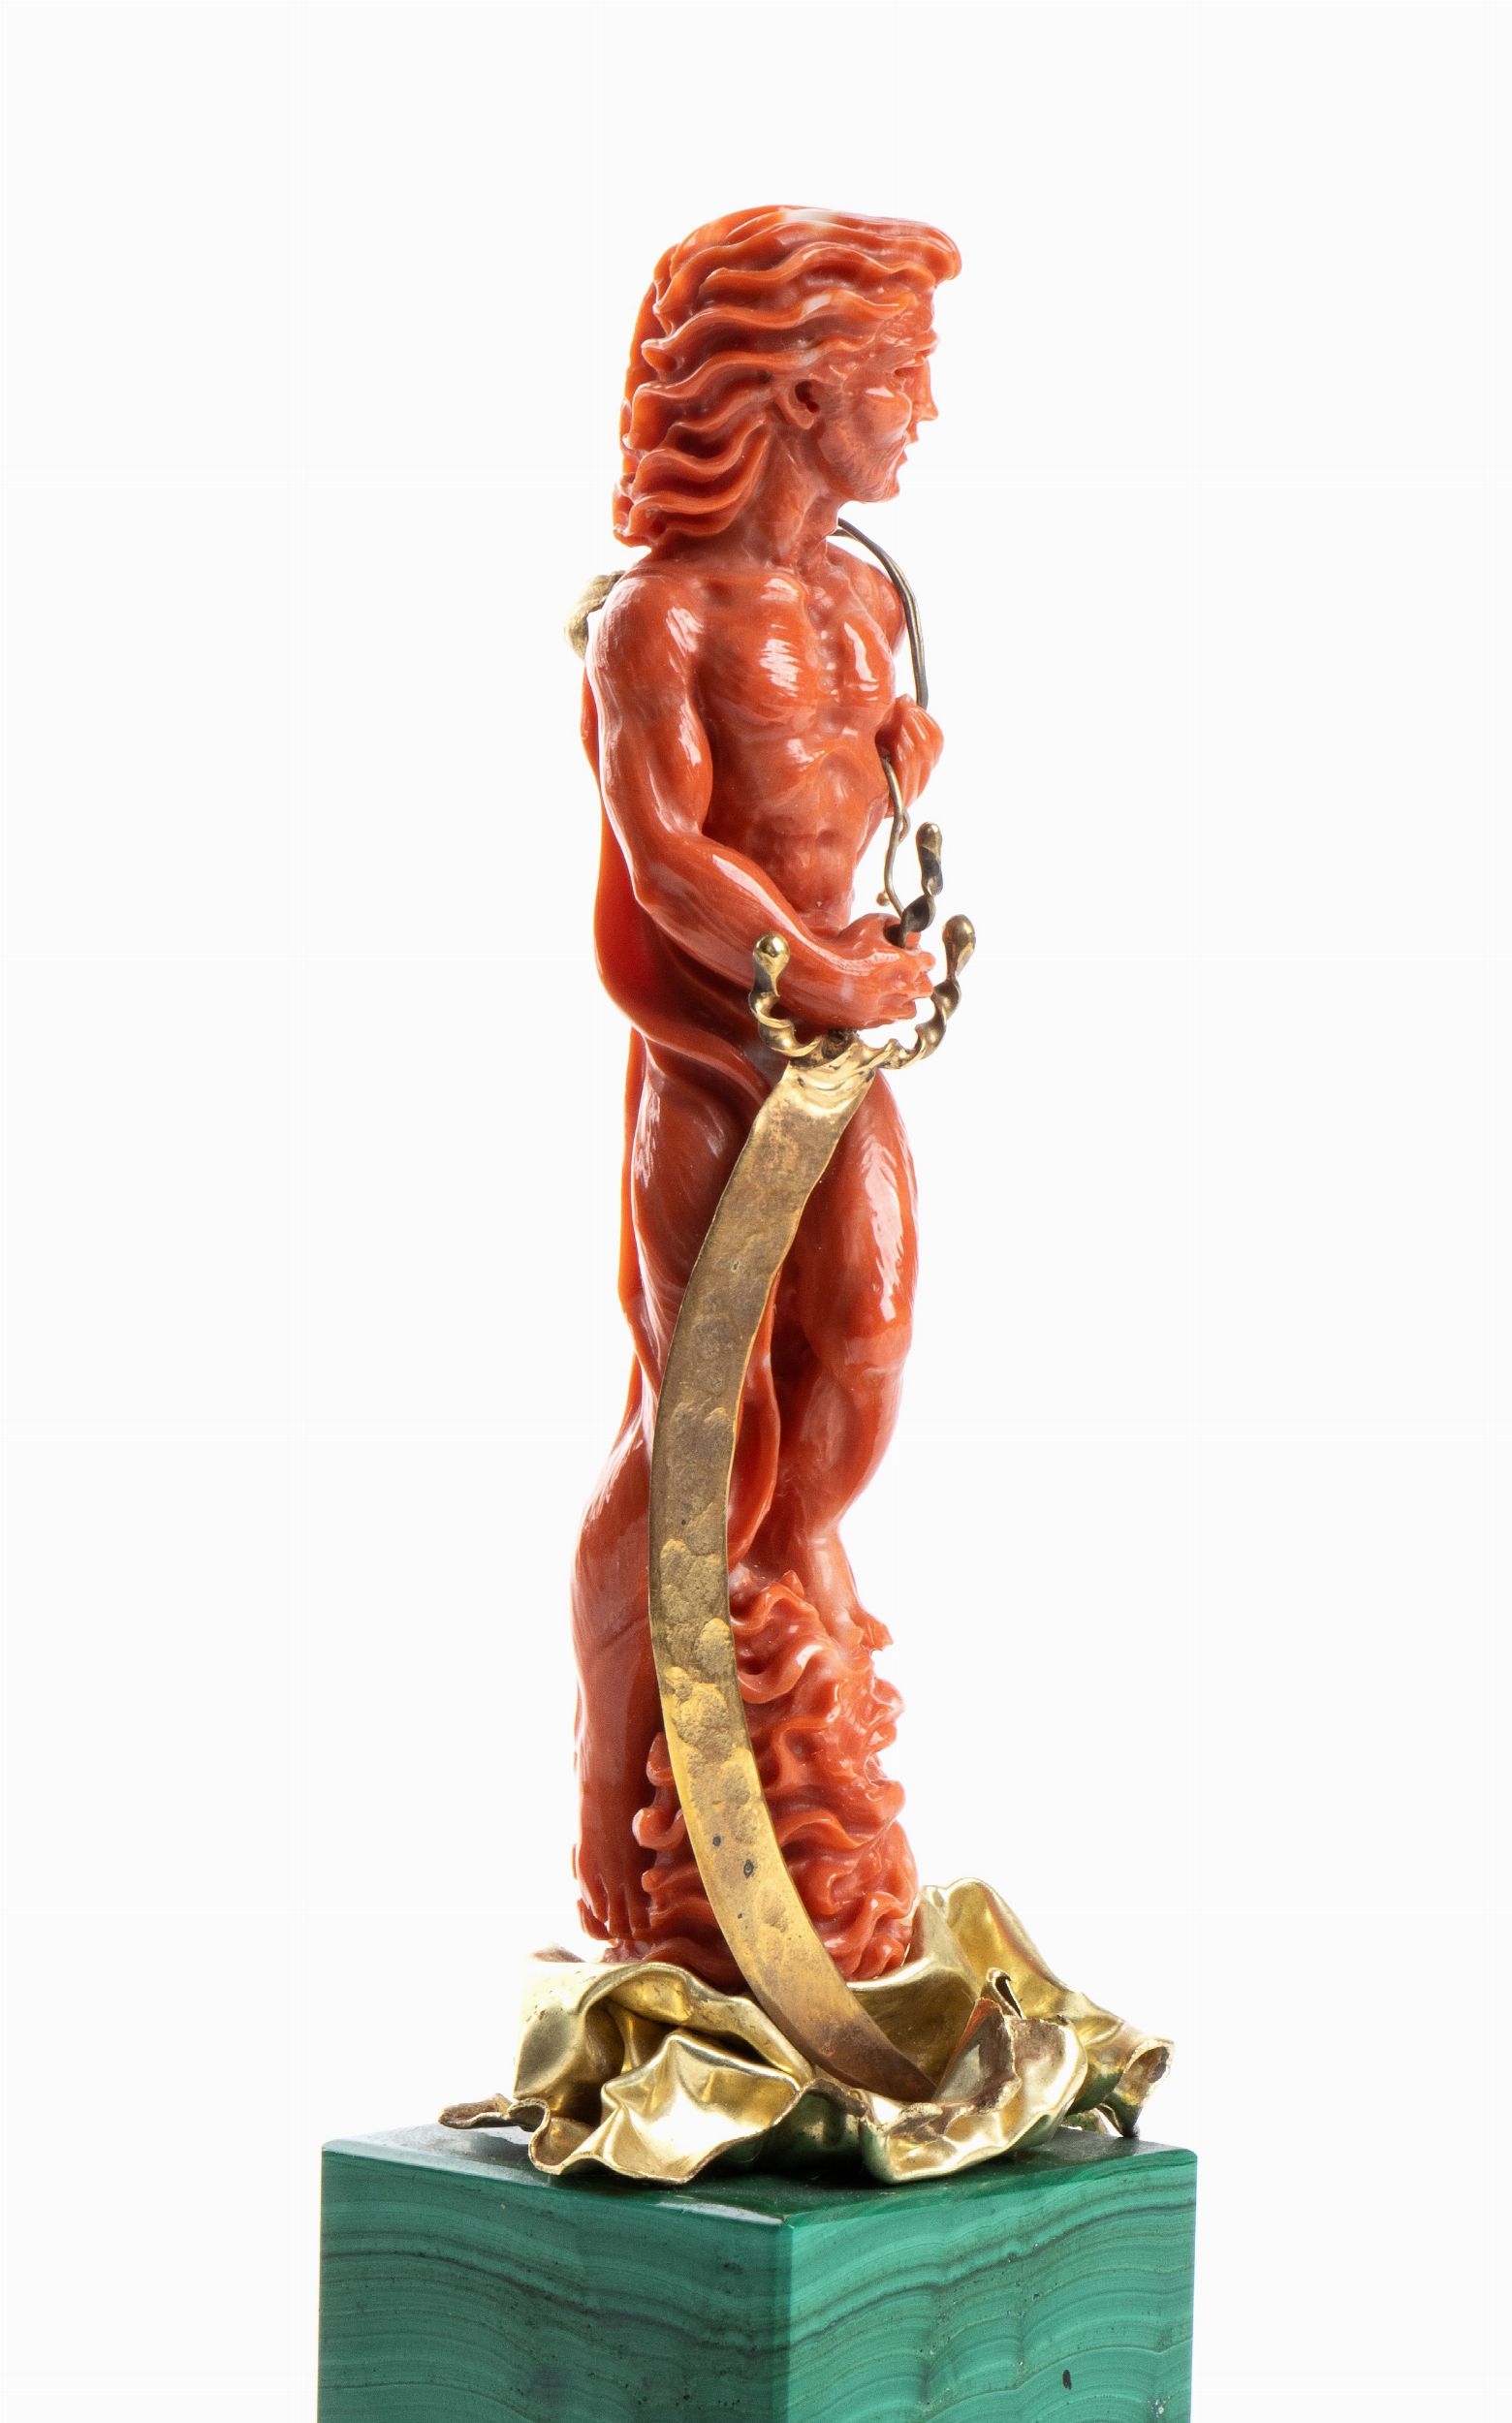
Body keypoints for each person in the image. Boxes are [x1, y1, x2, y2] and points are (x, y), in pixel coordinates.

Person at [571, 206, 961, 1987]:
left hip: (838, 1054)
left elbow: (857, 820)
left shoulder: (869, 598)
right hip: (718, 1063)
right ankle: (617, 1780)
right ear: (798, 391)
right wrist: (801, 964)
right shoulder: (655, 619)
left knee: (866, 1344)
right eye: (899, 378)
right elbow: (664, 857)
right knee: (699, 1429)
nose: (922, 416)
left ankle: (795, 1635)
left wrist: (874, 932)